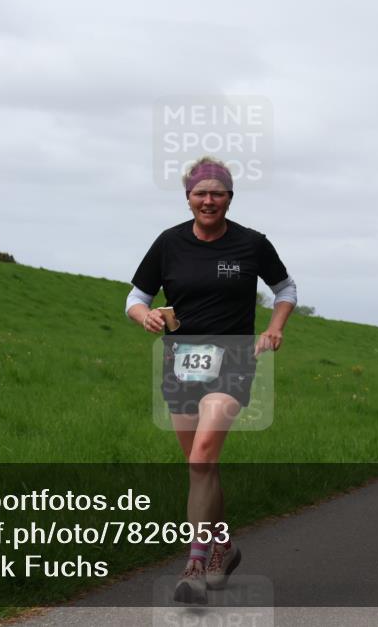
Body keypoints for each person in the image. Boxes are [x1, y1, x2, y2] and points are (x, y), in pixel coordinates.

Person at [126, 157, 296, 604]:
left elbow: (286, 289)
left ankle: (196, 562)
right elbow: (136, 296)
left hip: (235, 358)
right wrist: (144, 315)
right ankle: (224, 545)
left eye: (217, 193)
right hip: (181, 361)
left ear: (229, 198)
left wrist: (276, 326)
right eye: (200, 193)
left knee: (202, 456)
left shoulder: (251, 244)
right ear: (188, 198)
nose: (208, 200)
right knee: (201, 468)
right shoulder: (169, 243)